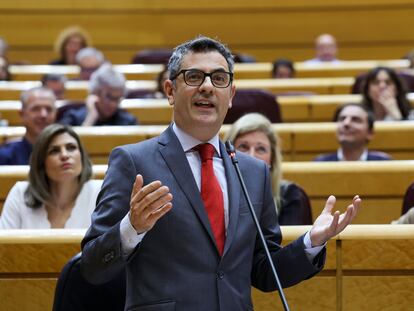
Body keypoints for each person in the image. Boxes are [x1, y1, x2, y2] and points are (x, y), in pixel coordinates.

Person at [81, 36, 360, 310]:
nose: (206, 87)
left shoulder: (254, 172)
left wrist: (312, 241)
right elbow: (93, 266)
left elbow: (263, 271)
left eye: (218, 78)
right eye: (193, 77)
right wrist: (132, 228)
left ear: (231, 95)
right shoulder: (133, 161)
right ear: (170, 90)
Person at [0, 124, 102, 229]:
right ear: (41, 162)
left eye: (71, 148)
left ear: (81, 156)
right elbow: (4, 243)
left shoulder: (100, 192)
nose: (64, 155)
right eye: (54, 151)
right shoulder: (20, 193)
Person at [225, 113, 312, 225]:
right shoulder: (217, 193)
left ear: (272, 159)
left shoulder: (290, 196)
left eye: (261, 149)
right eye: (243, 147)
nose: (251, 156)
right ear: (228, 153)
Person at [59, 63, 137, 126]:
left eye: (117, 99)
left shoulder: (129, 122)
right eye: (109, 97)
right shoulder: (73, 118)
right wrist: (91, 117)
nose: (113, 104)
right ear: (95, 92)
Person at [314, 103, 392, 161]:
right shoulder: (321, 162)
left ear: (370, 133)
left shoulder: (383, 162)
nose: (346, 123)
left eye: (355, 120)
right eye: (342, 119)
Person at [0, 87, 57, 165]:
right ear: (22, 114)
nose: (43, 115)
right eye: (36, 109)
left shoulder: (67, 156)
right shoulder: (4, 156)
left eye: (49, 109)